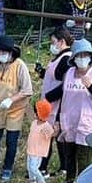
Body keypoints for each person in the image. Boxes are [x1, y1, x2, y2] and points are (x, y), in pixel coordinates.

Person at [45, 38, 92, 183]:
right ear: (74, 58)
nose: (82, 58)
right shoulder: (69, 73)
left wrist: (89, 86)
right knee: (69, 153)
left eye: (85, 55)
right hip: (69, 120)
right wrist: (57, 119)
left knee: (83, 156)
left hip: (86, 121)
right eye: (79, 55)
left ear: (90, 57)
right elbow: (62, 95)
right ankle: (69, 181)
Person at [0, 36, 33, 182]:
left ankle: (7, 168)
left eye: (4, 52)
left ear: (11, 52)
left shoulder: (19, 65)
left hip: (15, 109)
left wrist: (11, 99)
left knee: (11, 140)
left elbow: (27, 90)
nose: (1, 55)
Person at [36, 27, 74, 175]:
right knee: (56, 137)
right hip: (50, 103)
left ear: (61, 41)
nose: (51, 45)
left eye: (53, 42)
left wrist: (47, 98)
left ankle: (44, 167)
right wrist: (41, 72)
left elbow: (64, 85)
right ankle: (61, 167)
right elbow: (54, 77)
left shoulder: (67, 59)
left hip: (56, 104)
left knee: (50, 135)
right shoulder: (61, 57)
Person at [26, 99, 54, 183]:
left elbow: (51, 133)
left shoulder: (46, 126)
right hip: (31, 149)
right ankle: (32, 182)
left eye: (36, 112)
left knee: (33, 168)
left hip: (38, 151)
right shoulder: (34, 122)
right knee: (29, 167)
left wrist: (55, 130)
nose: (34, 114)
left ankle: (41, 181)